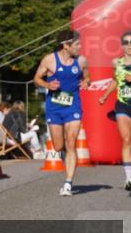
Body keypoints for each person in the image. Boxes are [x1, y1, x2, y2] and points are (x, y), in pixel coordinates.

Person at [34, 30, 90, 196]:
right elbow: (36, 78)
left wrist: (86, 82)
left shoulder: (81, 61)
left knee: (71, 142)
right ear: (66, 45)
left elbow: (87, 76)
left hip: (73, 106)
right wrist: (47, 85)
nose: (80, 46)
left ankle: (68, 183)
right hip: (55, 107)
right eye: (77, 44)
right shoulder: (49, 60)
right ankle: (66, 154)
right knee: (59, 146)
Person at [98, 30, 131, 191]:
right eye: (126, 43)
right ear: (122, 45)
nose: (129, 45)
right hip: (123, 106)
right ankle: (129, 180)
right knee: (126, 140)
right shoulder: (117, 63)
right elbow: (115, 80)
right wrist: (105, 95)